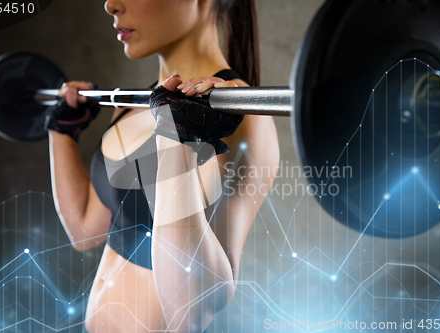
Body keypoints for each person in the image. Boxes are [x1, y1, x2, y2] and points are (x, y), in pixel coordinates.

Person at [45, 0, 279, 331]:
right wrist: (62, 132)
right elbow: (86, 231)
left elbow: (193, 310)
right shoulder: (136, 105)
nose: (110, 4)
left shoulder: (239, 115)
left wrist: (175, 140)